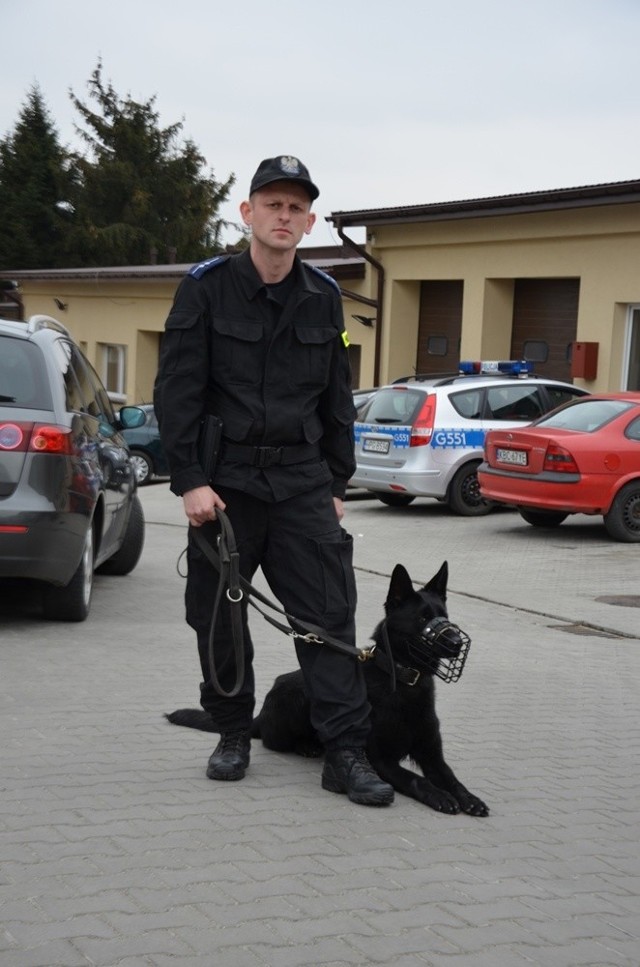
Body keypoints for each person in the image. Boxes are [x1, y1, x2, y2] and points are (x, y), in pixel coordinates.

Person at [154, 155, 393, 806]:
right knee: (217, 616)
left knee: (329, 619)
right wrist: (191, 481)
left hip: (301, 483)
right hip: (225, 486)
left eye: (296, 207)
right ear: (248, 213)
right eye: (273, 204)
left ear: (309, 220)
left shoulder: (324, 296)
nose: (284, 216)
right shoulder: (205, 288)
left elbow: (337, 398)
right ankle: (233, 732)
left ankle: (345, 750)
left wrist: (339, 483)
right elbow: (177, 390)